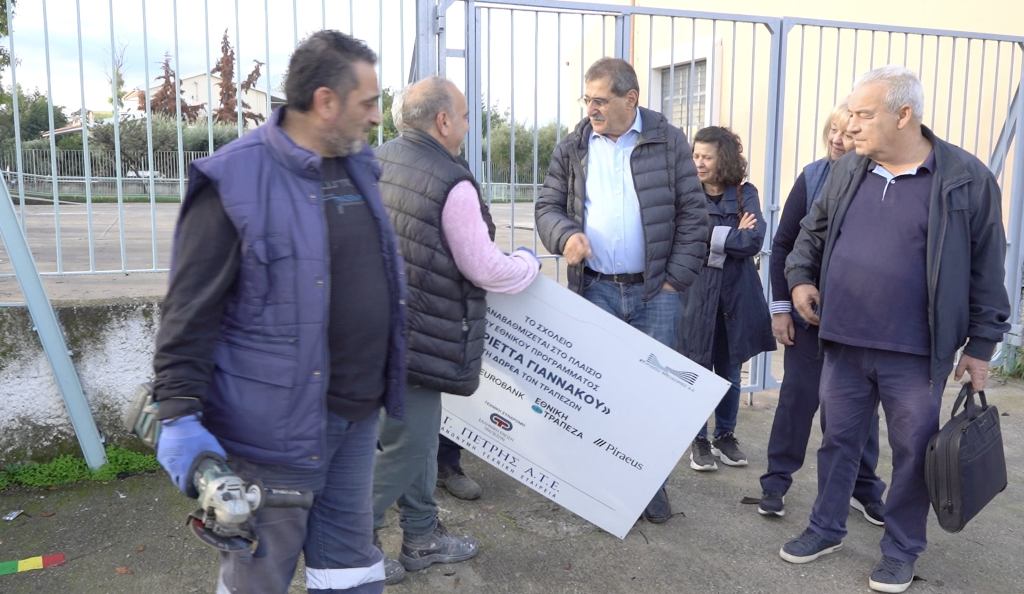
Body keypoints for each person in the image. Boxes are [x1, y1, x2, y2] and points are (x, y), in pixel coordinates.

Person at [151, 31, 405, 594]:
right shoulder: (234, 179)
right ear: (325, 101)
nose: (376, 115)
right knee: (258, 576)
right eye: (367, 102)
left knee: (350, 570)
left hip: (356, 418)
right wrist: (178, 413)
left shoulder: (358, 167)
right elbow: (189, 310)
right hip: (274, 433)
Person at [781, 66, 1010, 593]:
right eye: (850, 114)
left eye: (863, 115)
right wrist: (799, 280)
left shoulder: (965, 178)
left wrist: (981, 346)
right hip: (843, 340)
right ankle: (825, 528)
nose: (850, 125)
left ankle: (901, 550)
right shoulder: (848, 169)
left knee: (913, 454)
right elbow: (812, 233)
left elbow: (987, 267)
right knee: (837, 441)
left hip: (916, 352)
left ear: (903, 114)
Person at [373, 76, 540, 584]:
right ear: (443, 120)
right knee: (407, 446)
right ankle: (353, 541)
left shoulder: (376, 160)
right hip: (421, 336)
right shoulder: (451, 180)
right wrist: (528, 263)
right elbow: (484, 267)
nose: (468, 126)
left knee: (416, 439)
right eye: (465, 117)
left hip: (377, 329)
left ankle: (421, 535)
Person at [535, 57, 708, 524]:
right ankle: (602, 490)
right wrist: (565, 236)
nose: (590, 109)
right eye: (586, 99)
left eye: (600, 100)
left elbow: (694, 214)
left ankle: (650, 486)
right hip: (596, 290)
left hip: (656, 295)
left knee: (652, 396)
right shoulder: (574, 145)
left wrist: (673, 280)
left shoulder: (668, 141)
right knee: (600, 394)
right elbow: (547, 206)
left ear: (630, 99)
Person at [758, 104, 887, 523]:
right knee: (797, 399)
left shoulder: (879, 180)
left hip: (859, 319)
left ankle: (864, 487)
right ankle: (776, 481)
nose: (836, 139)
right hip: (808, 313)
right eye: (832, 130)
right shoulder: (813, 176)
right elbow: (784, 245)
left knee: (860, 408)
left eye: (847, 133)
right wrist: (782, 308)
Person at [679, 126, 775, 472]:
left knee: (730, 370)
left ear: (725, 159)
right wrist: (731, 234)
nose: (699, 163)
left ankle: (725, 436)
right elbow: (687, 237)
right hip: (696, 294)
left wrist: (713, 240)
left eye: (707, 157)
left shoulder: (746, 193)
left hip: (736, 295)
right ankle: (698, 440)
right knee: (696, 369)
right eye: (696, 155)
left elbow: (753, 241)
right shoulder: (687, 193)